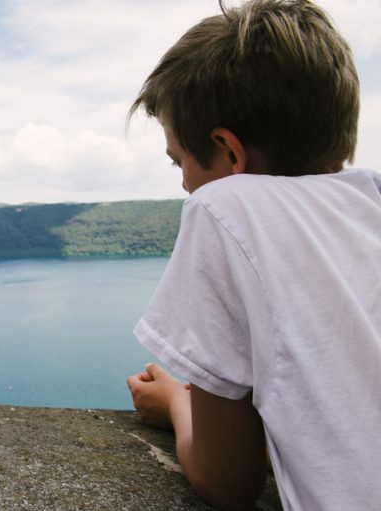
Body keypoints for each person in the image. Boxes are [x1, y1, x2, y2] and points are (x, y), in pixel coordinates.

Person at [125, 1, 381, 510]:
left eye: (178, 160)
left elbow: (229, 482)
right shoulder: (371, 196)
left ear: (229, 152)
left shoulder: (226, 204)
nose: (182, 182)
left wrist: (178, 402)